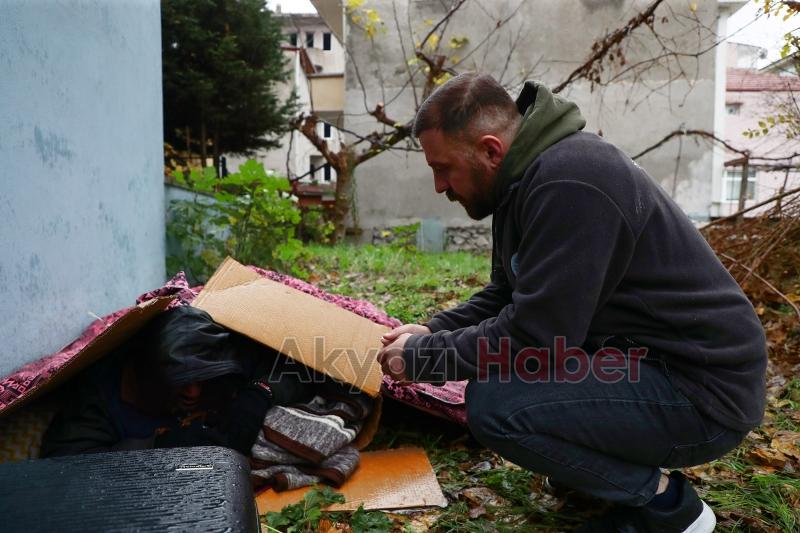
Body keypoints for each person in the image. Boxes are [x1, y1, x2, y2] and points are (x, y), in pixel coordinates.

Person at [377, 73, 767, 532]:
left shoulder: (572, 181)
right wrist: (433, 330)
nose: (440, 186)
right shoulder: (522, 181)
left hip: (701, 392)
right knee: (508, 389)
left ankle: (670, 509)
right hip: (645, 363)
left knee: (496, 405)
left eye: (442, 168)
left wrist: (423, 359)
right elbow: (508, 294)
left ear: (489, 150)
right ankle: (597, 475)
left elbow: (536, 340)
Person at [41, 306, 312, 458]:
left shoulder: (222, 355)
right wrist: (158, 447)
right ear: (144, 377)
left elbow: (302, 365)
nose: (193, 392)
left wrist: (259, 394)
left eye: (202, 378)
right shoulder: (99, 398)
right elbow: (67, 465)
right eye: (179, 383)